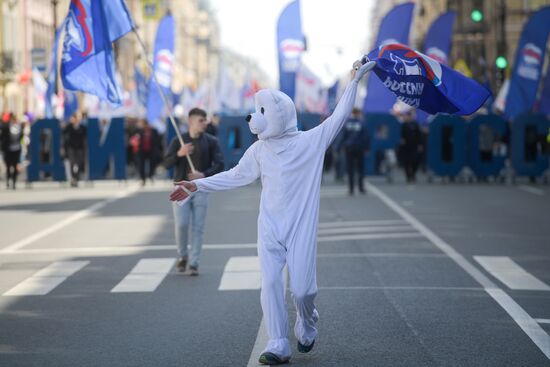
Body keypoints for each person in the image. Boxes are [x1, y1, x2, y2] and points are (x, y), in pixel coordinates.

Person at [169, 59, 375, 365]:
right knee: (271, 284)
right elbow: (235, 176)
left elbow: (338, 117)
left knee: (304, 291)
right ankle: (278, 342)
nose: (255, 117)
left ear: (281, 115)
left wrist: (354, 82)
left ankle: (307, 321)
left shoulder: (311, 142)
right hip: (269, 228)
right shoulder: (259, 150)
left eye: (263, 112)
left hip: (300, 228)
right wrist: (197, 186)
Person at [164, 108, 224, 276]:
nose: (205, 123)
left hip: (201, 188)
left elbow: (220, 164)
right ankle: (183, 255)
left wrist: (203, 175)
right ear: (190, 121)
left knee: (198, 227)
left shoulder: (211, 141)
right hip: (181, 189)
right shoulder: (178, 141)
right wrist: (179, 154)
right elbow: (166, 163)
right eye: (201, 120)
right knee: (182, 224)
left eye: (205, 120)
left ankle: (194, 262)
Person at [340, 107, 369, 195]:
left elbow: (343, 136)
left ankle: (351, 189)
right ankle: (361, 188)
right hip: (359, 148)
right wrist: (367, 148)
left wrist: (340, 147)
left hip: (349, 148)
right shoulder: (362, 123)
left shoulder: (347, 123)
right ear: (359, 113)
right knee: (360, 169)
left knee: (350, 169)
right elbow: (366, 137)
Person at [399, 108, 423, 183]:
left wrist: (420, 144)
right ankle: (408, 176)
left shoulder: (415, 124)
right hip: (405, 146)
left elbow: (419, 135)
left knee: (415, 161)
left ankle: (413, 174)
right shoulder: (403, 125)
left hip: (414, 146)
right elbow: (400, 134)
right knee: (406, 162)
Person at [63, 113, 87, 187]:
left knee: (79, 163)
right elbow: (63, 134)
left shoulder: (82, 127)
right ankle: (73, 177)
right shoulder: (69, 127)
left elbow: (85, 137)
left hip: (80, 148)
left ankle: (76, 177)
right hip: (71, 147)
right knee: (72, 163)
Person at [136, 119, 162, 186]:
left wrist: (157, 149)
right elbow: (134, 139)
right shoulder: (138, 131)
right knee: (141, 165)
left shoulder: (153, 131)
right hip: (141, 150)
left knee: (152, 164)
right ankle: (142, 179)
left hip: (151, 150)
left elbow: (158, 140)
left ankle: (151, 176)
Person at [1, 113, 23, 189]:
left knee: (14, 166)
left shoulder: (19, 126)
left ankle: (13, 182)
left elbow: (21, 137)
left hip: (16, 149)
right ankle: (8, 181)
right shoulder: (6, 126)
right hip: (8, 149)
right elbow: (2, 137)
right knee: (8, 166)